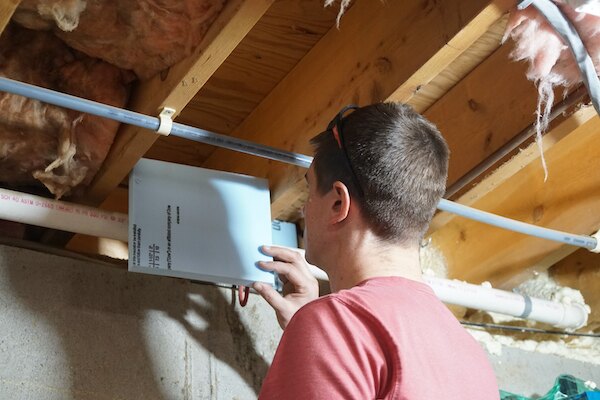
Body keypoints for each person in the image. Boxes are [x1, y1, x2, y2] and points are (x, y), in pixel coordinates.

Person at [252, 103, 499, 399]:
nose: (304, 208)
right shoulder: (471, 359)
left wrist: (320, 332)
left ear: (337, 204)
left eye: (309, 190)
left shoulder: (339, 326)